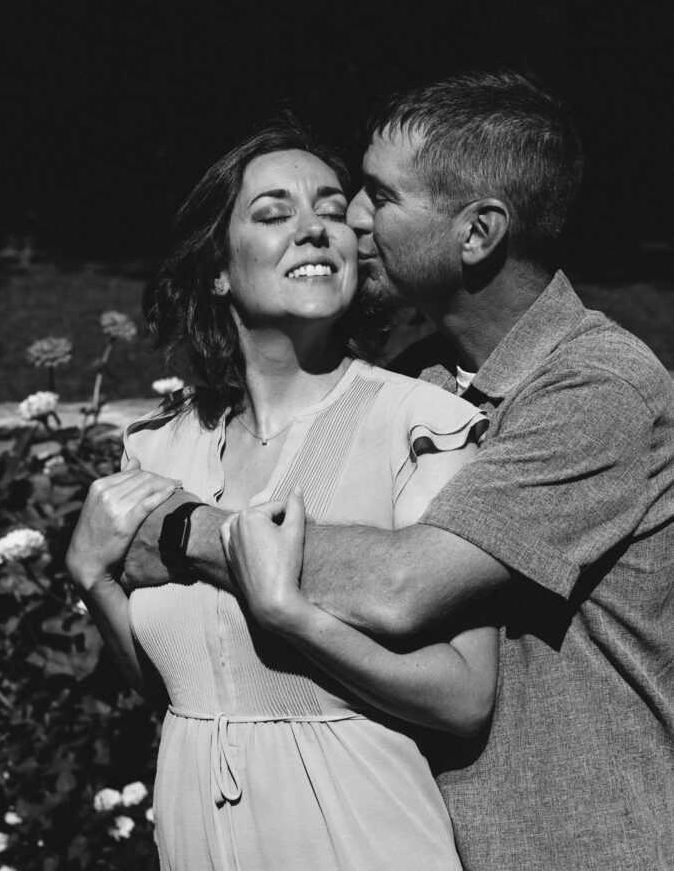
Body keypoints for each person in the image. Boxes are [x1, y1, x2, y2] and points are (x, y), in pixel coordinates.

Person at [122, 71, 674, 871]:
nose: (347, 218)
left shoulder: (594, 390)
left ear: (477, 233)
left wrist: (181, 530)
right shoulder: (424, 381)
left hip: (577, 842)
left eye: (378, 197)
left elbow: (398, 586)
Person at [67, 119, 495, 871]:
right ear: (217, 271)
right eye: (273, 214)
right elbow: (176, 686)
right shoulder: (156, 449)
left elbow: (462, 700)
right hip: (198, 834)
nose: (314, 231)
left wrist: (292, 617)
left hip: (359, 831)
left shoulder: (420, 427)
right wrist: (94, 580)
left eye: (332, 211)